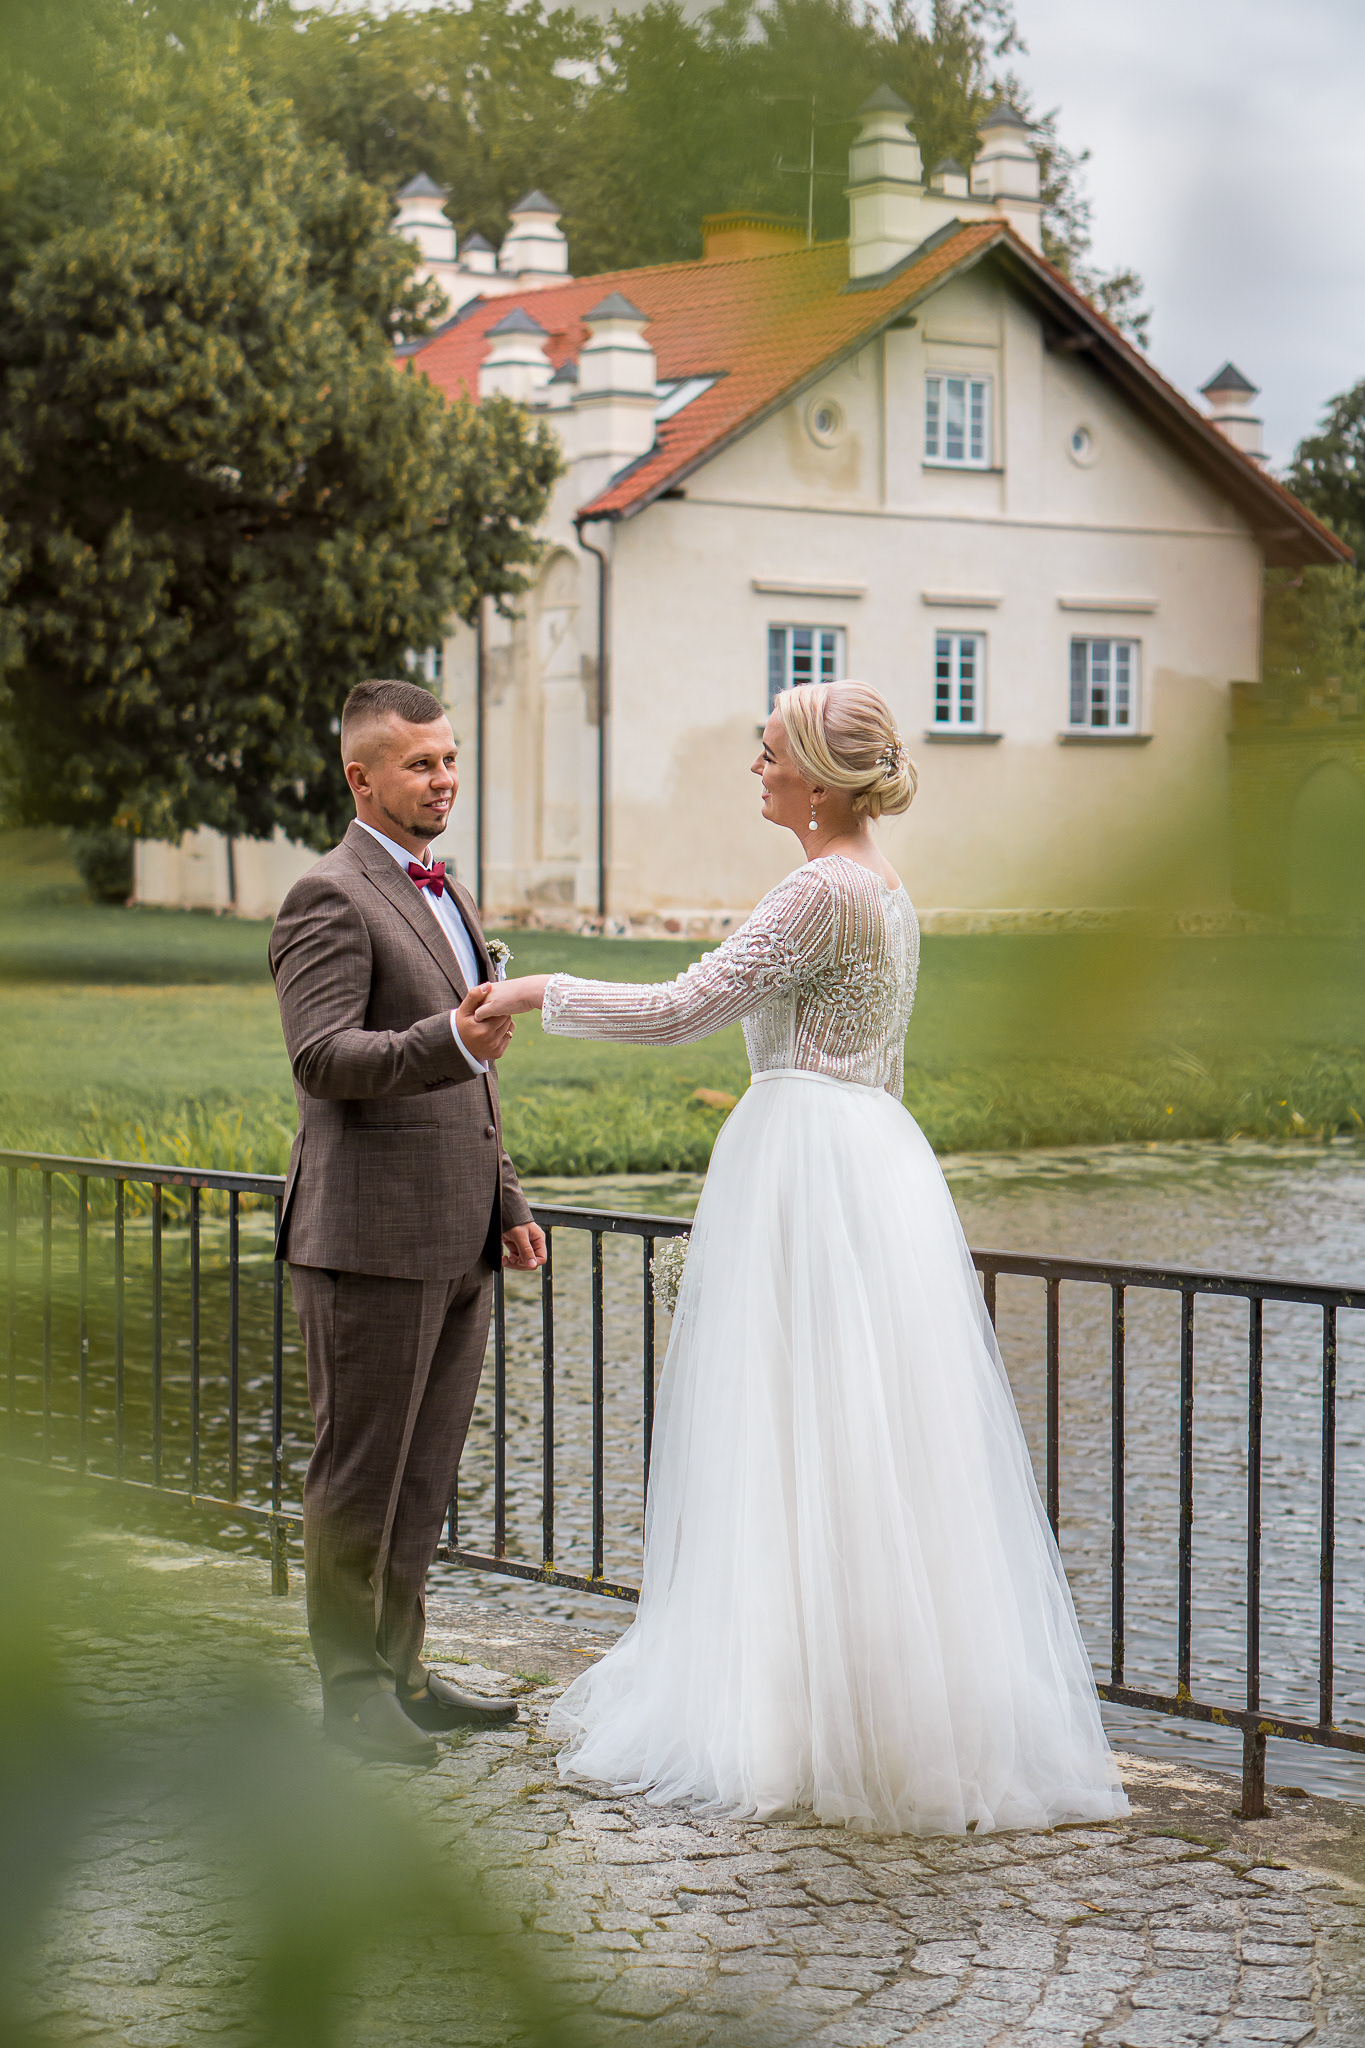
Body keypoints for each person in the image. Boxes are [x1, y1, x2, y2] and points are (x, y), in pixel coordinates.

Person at [475, 680, 1128, 1835]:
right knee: (860, 1435)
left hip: (808, 1165)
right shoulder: (884, 885)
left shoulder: (820, 889)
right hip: (872, 1158)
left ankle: (798, 1714)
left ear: (819, 778)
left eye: (770, 750)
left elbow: (681, 1008)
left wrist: (533, 988)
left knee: (795, 1427)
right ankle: (870, 1705)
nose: (757, 766)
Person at [270, 679, 547, 1766]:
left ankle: (406, 1674)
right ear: (362, 777)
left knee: (423, 1475)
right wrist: (451, 1039)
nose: (445, 779)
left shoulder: (448, 891)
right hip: (367, 1238)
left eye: (451, 758)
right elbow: (321, 1057)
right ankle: (352, 1694)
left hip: (458, 1230)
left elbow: (474, 1077)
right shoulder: (327, 895)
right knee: (360, 1475)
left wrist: (506, 1200)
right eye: (421, 764)